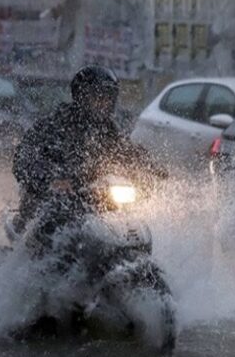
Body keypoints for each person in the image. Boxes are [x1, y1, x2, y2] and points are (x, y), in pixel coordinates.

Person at [12, 65, 167, 236]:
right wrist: (50, 178)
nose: (103, 103)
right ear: (81, 97)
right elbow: (24, 155)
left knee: (126, 222)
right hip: (52, 199)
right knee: (49, 226)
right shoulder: (54, 124)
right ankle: (33, 258)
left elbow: (128, 152)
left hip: (92, 198)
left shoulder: (109, 130)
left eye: (107, 98)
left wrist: (152, 169)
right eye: (97, 97)